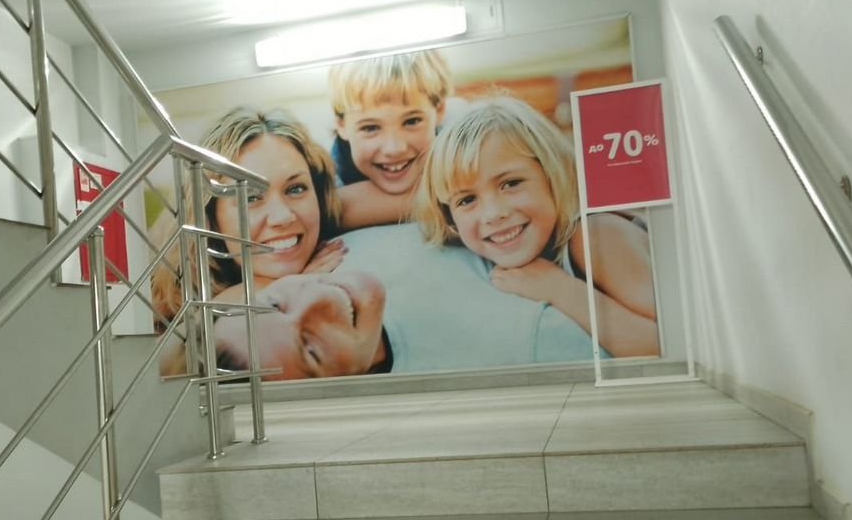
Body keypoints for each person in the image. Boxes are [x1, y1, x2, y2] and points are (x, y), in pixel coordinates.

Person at [414, 95, 659, 358]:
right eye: (467, 200)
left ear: (552, 174)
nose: (493, 214)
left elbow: (670, 342)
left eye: (510, 184)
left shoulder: (596, 236)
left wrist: (560, 289)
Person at [214, 223, 597, 380]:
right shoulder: (526, 350)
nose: (320, 297)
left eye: (276, 304)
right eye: (311, 350)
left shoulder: (336, 246)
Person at [151, 105, 344, 325]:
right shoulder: (162, 308)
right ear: (210, 218)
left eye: (296, 189)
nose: (282, 217)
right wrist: (284, 288)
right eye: (250, 198)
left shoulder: (333, 226)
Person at [328, 49, 451, 230]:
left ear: (439, 110)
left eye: (411, 121)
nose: (394, 148)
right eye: (370, 128)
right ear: (341, 125)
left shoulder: (461, 136)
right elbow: (324, 211)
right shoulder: (330, 173)